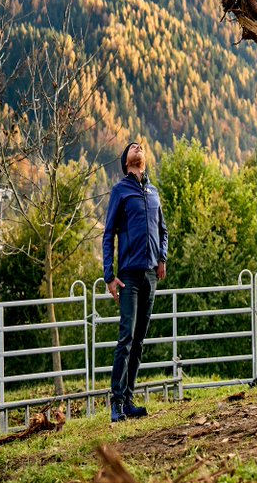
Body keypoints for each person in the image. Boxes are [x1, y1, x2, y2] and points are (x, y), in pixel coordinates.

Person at [102, 139, 168, 422]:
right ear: (126, 161)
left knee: (139, 340)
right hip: (128, 276)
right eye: (132, 146)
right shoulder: (120, 191)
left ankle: (128, 400)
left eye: (140, 146)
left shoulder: (153, 192)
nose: (138, 146)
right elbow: (108, 235)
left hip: (151, 275)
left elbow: (163, 230)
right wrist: (109, 276)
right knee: (126, 337)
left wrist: (162, 258)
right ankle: (116, 403)